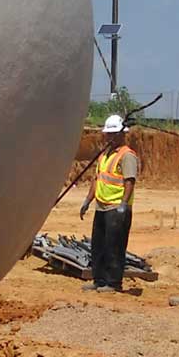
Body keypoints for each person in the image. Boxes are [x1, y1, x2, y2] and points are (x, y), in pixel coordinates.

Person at [78, 114, 138, 292]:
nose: (108, 137)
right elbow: (97, 179)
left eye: (112, 134)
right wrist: (88, 200)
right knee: (98, 246)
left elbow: (129, 181)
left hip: (116, 208)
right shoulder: (104, 155)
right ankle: (99, 280)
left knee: (114, 246)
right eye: (107, 134)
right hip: (102, 206)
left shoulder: (127, 156)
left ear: (121, 134)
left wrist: (123, 204)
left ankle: (114, 283)